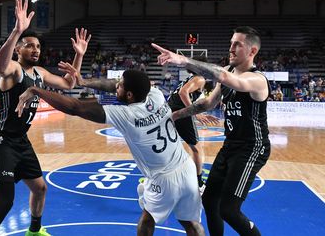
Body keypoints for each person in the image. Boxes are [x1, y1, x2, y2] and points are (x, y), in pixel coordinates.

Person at [16, 67, 204, 236]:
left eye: (120, 86)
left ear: (129, 95)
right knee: (190, 223)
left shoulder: (126, 114)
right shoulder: (155, 95)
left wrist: (37, 90)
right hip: (185, 166)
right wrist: (84, 81)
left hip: (164, 178)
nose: (117, 88)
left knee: (147, 220)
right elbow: (114, 84)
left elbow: (75, 107)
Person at [0, 0, 91, 236]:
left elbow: (68, 84)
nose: (35, 49)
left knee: (40, 188)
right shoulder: (15, 70)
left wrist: (79, 55)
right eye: (30, 45)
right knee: (5, 202)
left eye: (38, 46)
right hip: (0, 140)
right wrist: (17, 31)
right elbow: (0, 67)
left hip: (20, 140)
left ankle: (34, 231)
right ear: (19, 48)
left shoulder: (39, 72)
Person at [152, 26, 270, 236]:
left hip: (252, 148)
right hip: (231, 145)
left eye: (237, 44)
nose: (231, 48)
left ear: (252, 51)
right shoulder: (230, 73)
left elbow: (226, 78)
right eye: (231, 43)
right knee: (209, 200)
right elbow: (208, 103)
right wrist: (176, 115)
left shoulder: (256, 80)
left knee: (229, 210)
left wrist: (184, 61)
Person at [166, 60, 207, 189]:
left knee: (168, 146)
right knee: (196, 148)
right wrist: (194, 111)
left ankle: (163, 177)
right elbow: (182, 93)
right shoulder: (199, 79)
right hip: (181, 112)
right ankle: (198, 183)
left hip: (169, 110)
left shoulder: (190, 78)